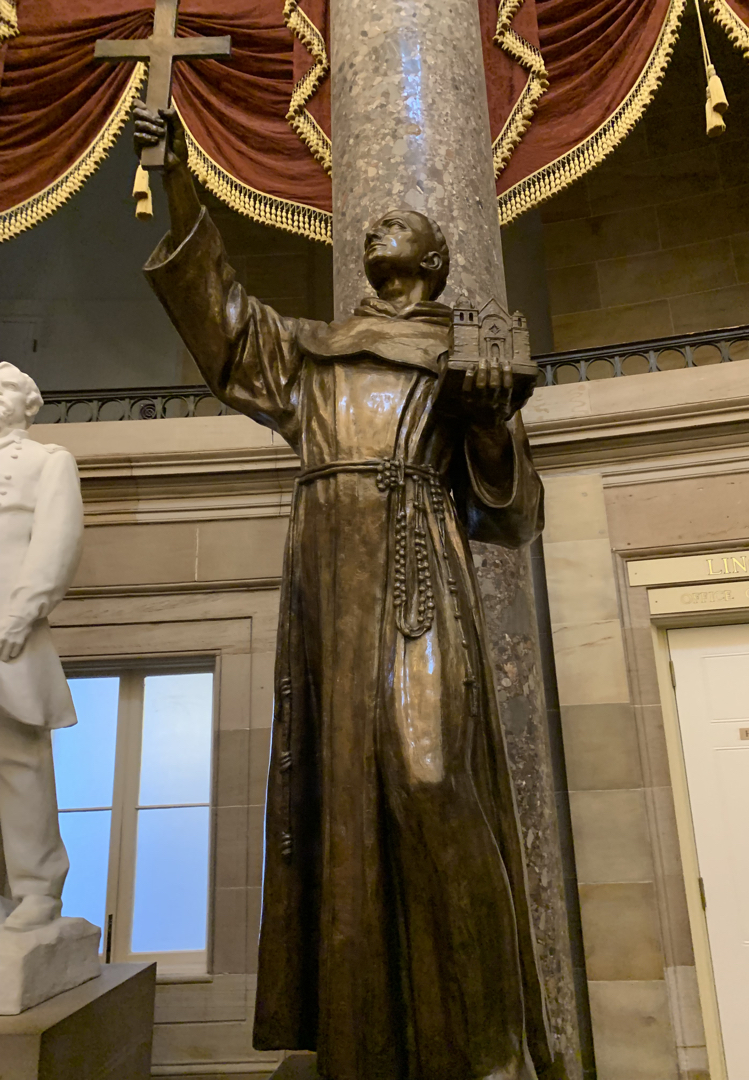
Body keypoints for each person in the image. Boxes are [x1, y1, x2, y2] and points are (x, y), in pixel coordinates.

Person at [135, 103, 563, 1080]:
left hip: (415, 571)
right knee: (342, 802)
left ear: (435, 260)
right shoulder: (313, 353)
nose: (376, 225)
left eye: (400, 224)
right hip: (329, 579)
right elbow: (227, 326)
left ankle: (486, 1041)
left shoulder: (470, 347)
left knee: (428, 778)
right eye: (373, 224)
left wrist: (492, 427)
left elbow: (511, 515)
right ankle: (365, 1041)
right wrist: (180, 184)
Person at [0, 363, 83, 932]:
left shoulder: (47, 462)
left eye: (3, 388)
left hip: (10, 634)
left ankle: (38, 889)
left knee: (21, 762)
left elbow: (55, 545)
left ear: (28, 403)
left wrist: (19, 615)